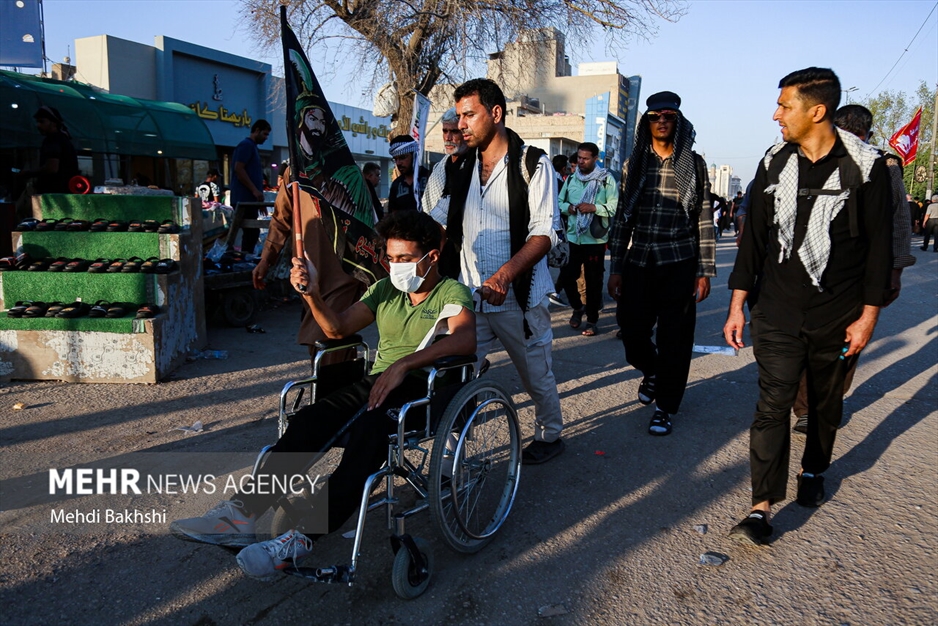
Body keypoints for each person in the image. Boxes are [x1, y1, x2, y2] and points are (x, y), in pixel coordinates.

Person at [170, 210, 476, 579]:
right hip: (378, 381)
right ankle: (241, 514)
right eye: (392, 259)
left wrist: (405, 364)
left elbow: (464, 338)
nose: (397, 267)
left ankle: (297, 541)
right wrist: (312, 294)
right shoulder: (385, 290)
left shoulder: (451, 292)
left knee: (367, 438)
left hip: (423, 389)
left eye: (406, 259)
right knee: (311, 419)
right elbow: (338, 328)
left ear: (431, 257)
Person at [723, 68, 892, 545]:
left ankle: (814, 468)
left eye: (785, 106)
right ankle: (761, 506)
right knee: (772, 403)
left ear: (816, 111)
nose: (775, 114)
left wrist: (868, 318)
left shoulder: (868, 167)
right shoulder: (774, 162)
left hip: (838, 315)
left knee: (823, 404)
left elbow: (880, 251)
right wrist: (737, 305)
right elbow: (753, 241)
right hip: (776, 309)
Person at [426, 78, 565, 465]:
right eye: (458, 117)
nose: (461, 125)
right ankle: (451, 455)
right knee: (453, 373)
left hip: (518, 301)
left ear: (496, 114)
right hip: (470, 298)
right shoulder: (460, 168)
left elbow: (543, 233)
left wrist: (504, 277)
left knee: (535, 376)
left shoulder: (533, 163)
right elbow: (438, 224)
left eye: (469, 115)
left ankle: (550, 434)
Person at [790, 104, 917, 433]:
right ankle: (809, 404)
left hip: (855, 274)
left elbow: (897, 222)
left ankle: (817, 405)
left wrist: (895, 269)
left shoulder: (884, 164)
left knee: (847, 340)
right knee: (813, 339)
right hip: (815, 267)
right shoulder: (810, 156)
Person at [606, 90, 716, 437]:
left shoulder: (693, 164)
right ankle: (653, 371)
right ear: (648, 122)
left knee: (676, 339)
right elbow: (623, 218)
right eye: (655, 116)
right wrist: (617, 267)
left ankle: (665, 406)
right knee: (631, 328)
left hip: (679, 262)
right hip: (640, 261)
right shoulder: (634, 164)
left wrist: (705, 271)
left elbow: (703, 218)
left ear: (677, 120)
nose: (662, 121)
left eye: (668, 115)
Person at [252, 165, 366, 369]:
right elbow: (281, 218)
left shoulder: (346, 168)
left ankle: (331, 394)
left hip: (343, 272)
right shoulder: (294, 172)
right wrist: (266, 259)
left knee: (335, 337)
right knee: (318, 340)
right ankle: (329, 391)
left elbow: (366, 219)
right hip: (308, 268)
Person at [556, 142, 618, 336]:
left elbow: (613, 207)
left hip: (595, 240)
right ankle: (577, 308)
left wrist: (594, 208)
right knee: (566, 278)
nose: (580, 162)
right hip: (574, 238)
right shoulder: (572, 179)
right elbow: (560, 202)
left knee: (593, 283)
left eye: (585, 158)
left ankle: (592, 321)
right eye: (579, 158)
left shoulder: (606, 180)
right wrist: (570, 208)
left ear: (595, 159)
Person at [15, 106, 79, 219]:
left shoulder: (53, 140)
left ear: (53, 123)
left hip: (53, 197)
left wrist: (27, 173)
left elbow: (51, 168)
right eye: (37, 122)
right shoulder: (63, 140)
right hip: (65, 196)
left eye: (42, 121)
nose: (38, 125)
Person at [231, 119, 272, 255]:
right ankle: (244, 257)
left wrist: (259, 200)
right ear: (257, 130)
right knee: (251, 232)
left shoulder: (253, 147)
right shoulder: (246, 146)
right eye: (264, 134)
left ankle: (245, 257)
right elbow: (239, 169)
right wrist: (254, 191)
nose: (266, 138)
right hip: (244, 199)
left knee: (252, 232)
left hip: (250, 199)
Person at [420, 108, 468, 216]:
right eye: (445, 131)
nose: (448, 137)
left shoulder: (476, 164)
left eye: (454, 131)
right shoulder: (439, 168)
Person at [387, 135, 430, 213]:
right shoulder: (396, 185)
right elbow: (392, 216)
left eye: (402, 157)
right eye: (395, 159)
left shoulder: (430, 178)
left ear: (414, 155)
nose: (398, 163)